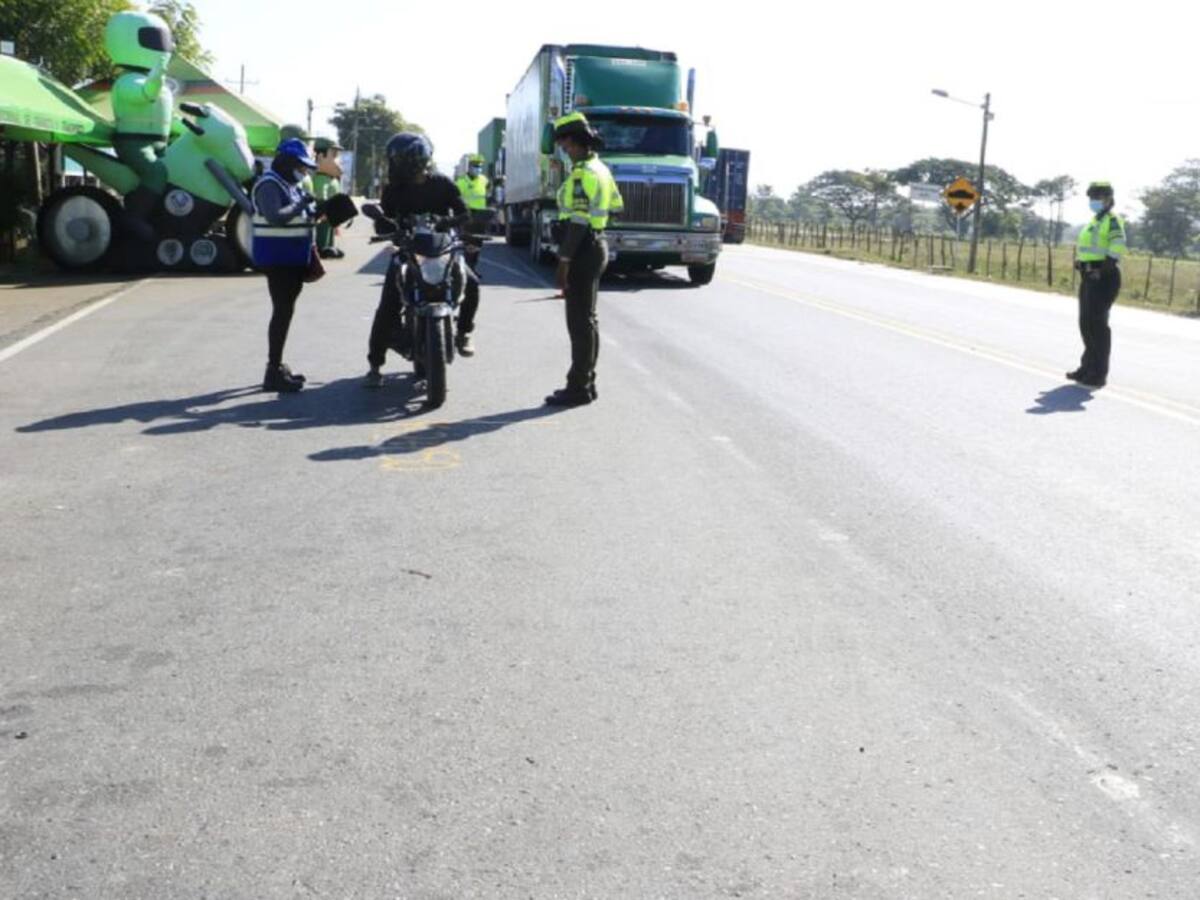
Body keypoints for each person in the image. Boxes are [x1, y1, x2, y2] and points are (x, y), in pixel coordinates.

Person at [364, 132, 468, 387]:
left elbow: (464, 213)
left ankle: (464, 333)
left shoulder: (443, 184)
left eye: (394, 161)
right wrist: (387, 225)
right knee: (388, 304)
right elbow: (381, 224)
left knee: (472, 283)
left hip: (440, 251)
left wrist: (449, 221)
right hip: (408, 253)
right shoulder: (393, 190)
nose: (392, 166)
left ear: (410, 160)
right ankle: (375, 364)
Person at [545, 112, 623, 407]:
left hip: (581, 249)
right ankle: (586, 383)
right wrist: (597, 224)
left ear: (578, 142)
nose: (564, 151)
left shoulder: (582, 174)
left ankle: (578, 387)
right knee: (588, 321)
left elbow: (578, 219)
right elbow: (617, 205)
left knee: (579, 323)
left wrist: (564, 261)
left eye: (566, 145)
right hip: (596, 244)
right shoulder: (601, 169)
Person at [251, 138, 320, 392]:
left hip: (290, 259)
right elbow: (275, 217)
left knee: (285, 311)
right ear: (286, 162)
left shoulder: (288, 185)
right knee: (281, 312)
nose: (302, 171)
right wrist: (301, 204)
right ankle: (273, 371)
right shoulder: (269, 184)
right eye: (300, 166)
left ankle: (277, 367)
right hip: (277, 259)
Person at [1069, 181, 1126, 388]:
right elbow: (1091, 247)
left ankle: (1098, 374)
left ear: (1108, 199)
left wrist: (1101, 272)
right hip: (1089, 275)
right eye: (1091, 198)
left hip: (1103, 277)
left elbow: (1117, 246)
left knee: (1097, 326)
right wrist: (1082, 263)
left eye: (1097, 197)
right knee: (1086, 324)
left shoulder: (1111, 220)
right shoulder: (1095, 220)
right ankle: (1086, 368)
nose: (1093, 201)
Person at [454, 154, 490, 355]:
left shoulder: (485, 181)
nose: (478, 168)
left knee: (474, 257)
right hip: (463, 220)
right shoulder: (460, 182)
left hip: (480, 220)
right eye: (475, 165)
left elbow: (489, 196)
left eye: (480, 165)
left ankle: (464, 331)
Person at [313, 138, 345, 259]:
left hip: (331, 217)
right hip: (324, 216)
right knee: (323, 225)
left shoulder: (331, 179)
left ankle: (329, 245)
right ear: (321, 156)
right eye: (334, 155)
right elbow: (321, 199)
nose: (337, 161)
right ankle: (321, 246)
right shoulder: (320, 179)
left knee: (329, 226)